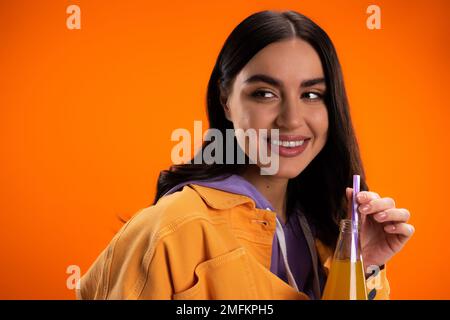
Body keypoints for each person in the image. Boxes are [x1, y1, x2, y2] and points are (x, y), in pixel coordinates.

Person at [77, 10, 414, 300]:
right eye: (264, 93)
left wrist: (362, 264)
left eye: (311, 94)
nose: (292, 119)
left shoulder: (331, 233)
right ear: (226, 100)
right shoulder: (172, 229)